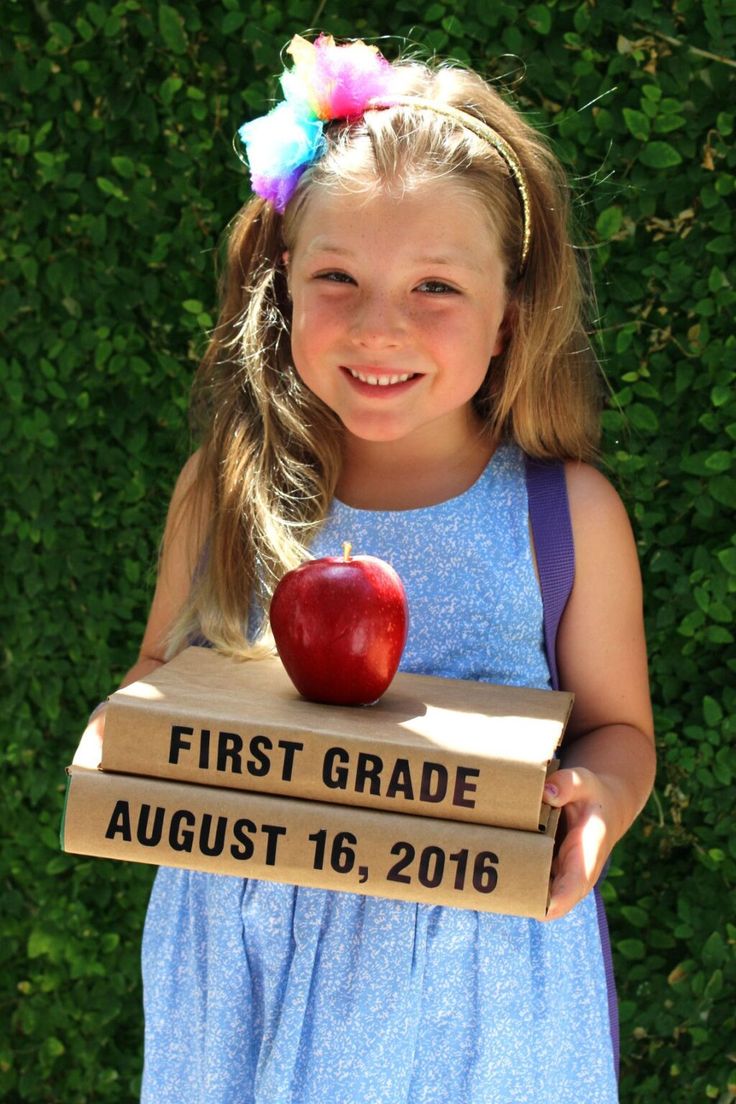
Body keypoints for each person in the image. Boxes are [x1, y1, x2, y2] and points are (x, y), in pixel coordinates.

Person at [79, 34, 655, 1103]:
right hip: (243, 949)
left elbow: (620, 732)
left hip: (473, 979)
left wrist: (597, 801)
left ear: (507, 318)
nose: (377, 323)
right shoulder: (228, 488)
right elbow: (161, 671)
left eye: (434, 284)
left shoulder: (562, 515)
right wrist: (126, 730)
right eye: (336, 276)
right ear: (282, 288)